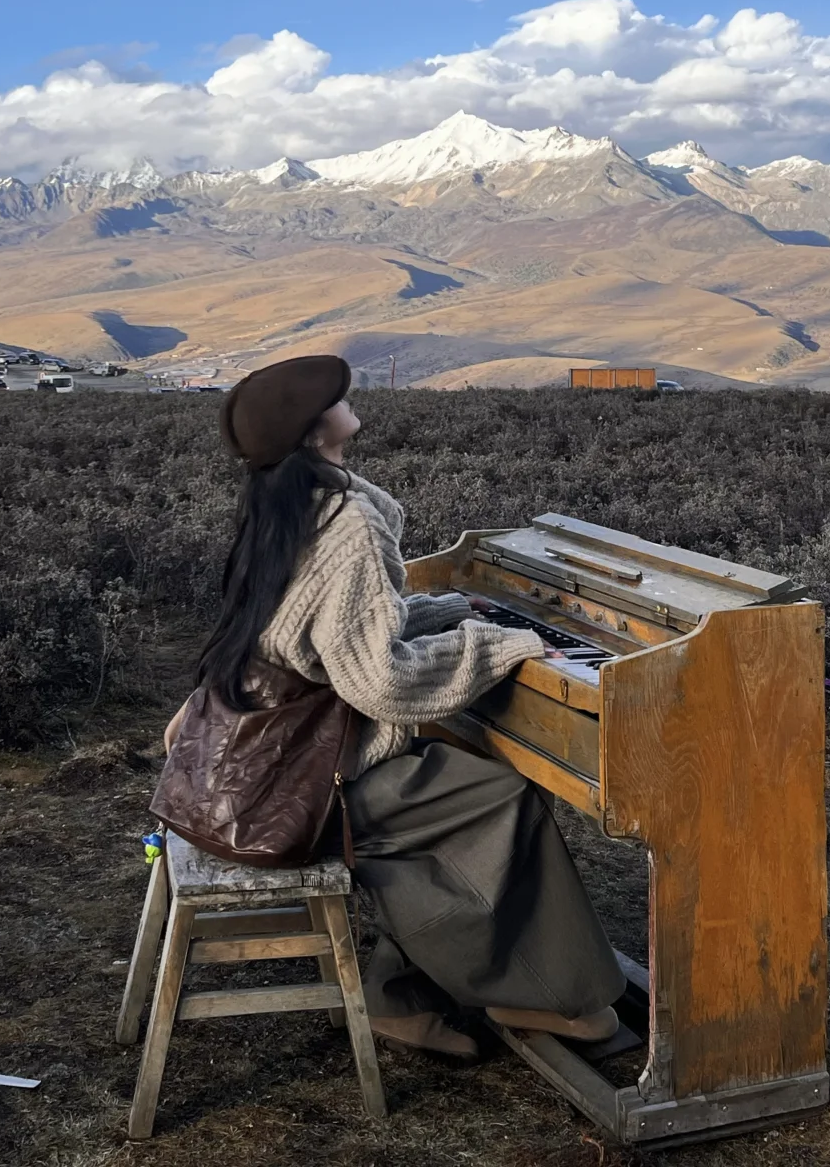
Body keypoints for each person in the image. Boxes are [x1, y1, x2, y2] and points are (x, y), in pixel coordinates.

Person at [164, 354, 624, 1061]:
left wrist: (442, 613)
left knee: (449, 782)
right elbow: (377, 683)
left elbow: (327, 630)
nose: (351, 398)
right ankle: (552, 1000)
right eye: (337, 396)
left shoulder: (287, 505)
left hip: (249, 757)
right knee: (495, 793)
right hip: (295, 782)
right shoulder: (346, 521)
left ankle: (400, 998)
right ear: (316, 431)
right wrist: (499, 646)